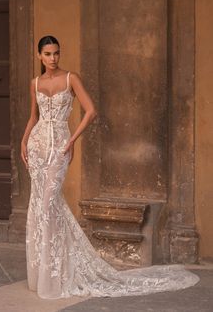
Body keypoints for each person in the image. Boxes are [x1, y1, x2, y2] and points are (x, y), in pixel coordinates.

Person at [21, 35, 199, 300]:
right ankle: (43, 274)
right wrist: (23, 142)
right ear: (39, 56)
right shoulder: (35, 83)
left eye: (56, 53)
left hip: (59, 146)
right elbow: (33, 116)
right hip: (37, 148)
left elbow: (91, 110)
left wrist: (71, 140)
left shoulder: (71, 78)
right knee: (39, 206)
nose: (53, 58)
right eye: (47, 54)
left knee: (49, 205)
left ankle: (56, 274)